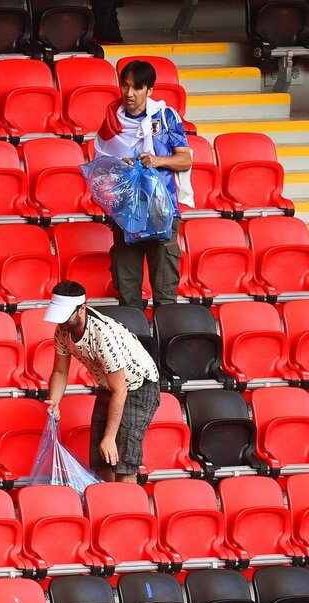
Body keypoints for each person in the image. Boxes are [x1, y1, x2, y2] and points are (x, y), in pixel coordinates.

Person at [95, 59, 192, 311]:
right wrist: (120, 165)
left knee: (166, 293)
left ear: (149, 90)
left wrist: (157, 160)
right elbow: (100, 167)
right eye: (125, 86)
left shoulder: (166, 117)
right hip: (127, 212)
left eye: (137, 88)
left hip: (162, 209)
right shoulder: (111, 119)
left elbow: (185, 159)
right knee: (128, 295)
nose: (129, 94)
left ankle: (165, 346)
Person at [43, 281, 160, 484]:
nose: (60, 321)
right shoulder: (63, 330)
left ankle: (127, 511)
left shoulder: (103, 335)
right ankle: (107, 508)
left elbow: (121, 390)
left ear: (81, 309)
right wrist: (54, 401)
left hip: (138, 387)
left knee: (122, 461)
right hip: (109, 387)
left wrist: (109, 437)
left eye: (65, 315)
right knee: (100, 462)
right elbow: (60, 371)